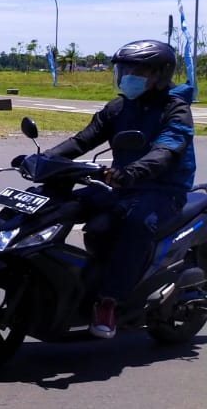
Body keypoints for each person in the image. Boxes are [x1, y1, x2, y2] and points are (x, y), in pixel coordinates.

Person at [42, 39, 196, 338]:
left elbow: (166, 150)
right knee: (66, 205)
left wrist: (131, 173)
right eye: (125, 69)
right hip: (123, 185)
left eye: (138, 70)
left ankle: (108, 302)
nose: (129, 76)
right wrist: (43, 159)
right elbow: (83, 139)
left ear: (160, 74)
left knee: (136, 224)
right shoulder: (119, 107)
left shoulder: (175, 110)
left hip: (162, 190)